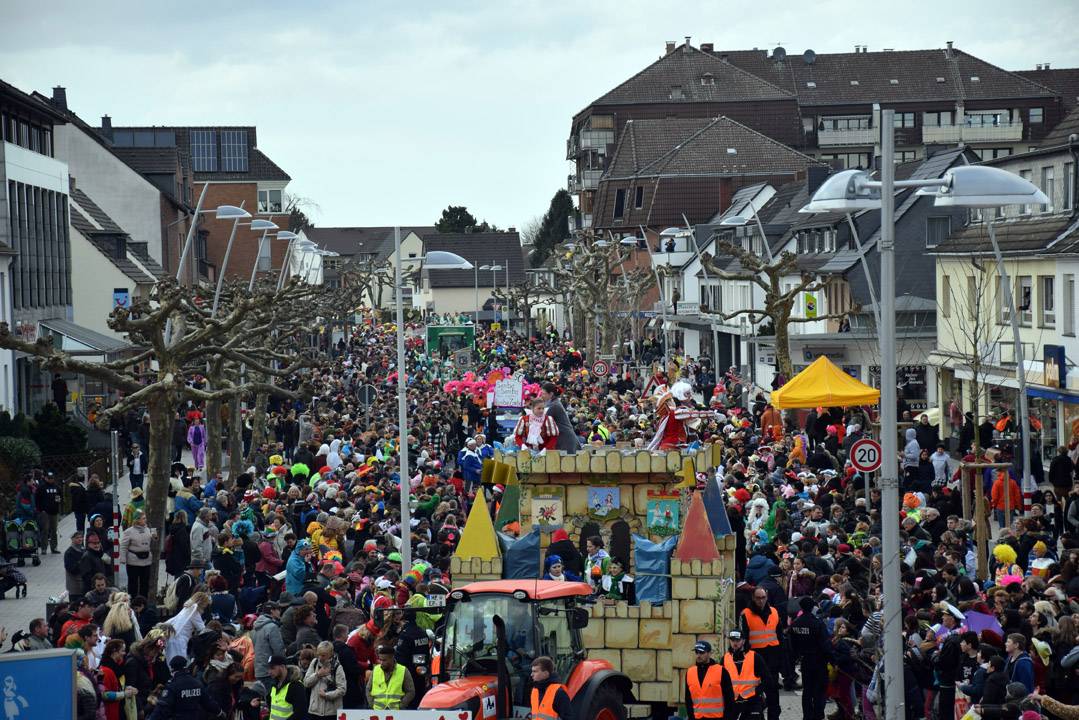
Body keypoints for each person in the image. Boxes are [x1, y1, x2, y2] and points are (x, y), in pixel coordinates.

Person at [739, 587, 783, 720]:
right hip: (755, 658)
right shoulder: (745, 614)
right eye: (758, 598)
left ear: (767, 597)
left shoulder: (774, 612)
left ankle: (773, 717)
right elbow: (743, 638)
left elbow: (780, 635)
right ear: (753, 598)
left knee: (773, 692)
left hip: (772, 656)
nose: (761, 601)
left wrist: (782, 658)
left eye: (763, 597)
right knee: (755, 692)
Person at [789, 595, 830, 720]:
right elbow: (825, 644)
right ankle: (818, 714)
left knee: (807, 690)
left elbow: (793, 644)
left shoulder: (796, 623)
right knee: (820, 689)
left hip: (805, 660)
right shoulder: (818, 623)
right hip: (819, 660)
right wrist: (832, 659)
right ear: (812, 607)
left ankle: (807, 715)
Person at [148, 656, 222, 720]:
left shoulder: (172, 685)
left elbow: (162, 707)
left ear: (173, 669)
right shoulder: (196, 683)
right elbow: (208, 702)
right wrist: (220, 712)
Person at [723, 630, 769, 720]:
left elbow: (767, 679)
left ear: (743, 641)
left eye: (737, 640)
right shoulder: (725, 659)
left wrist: (757, 692)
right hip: (733, 702)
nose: (734, 643)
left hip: (752, 701)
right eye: (732, 640)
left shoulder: (755, 657)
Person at [686, 640, 734, 720]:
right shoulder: (690, 672)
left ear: (709, 653)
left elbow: (729, 699)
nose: (698, 655)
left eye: (701, 653)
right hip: (697, 717)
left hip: (717, 717)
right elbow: (688, 700)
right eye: (696, 652)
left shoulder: (721, 671)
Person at [303, 640, 346, 720]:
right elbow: (306, 683)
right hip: (314, 711)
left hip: (331, 713)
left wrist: (327, 695)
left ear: (331, 654)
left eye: (323, 655)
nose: (320, 658)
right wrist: (318, 675)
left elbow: (342, 689)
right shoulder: (314, 662)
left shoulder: (337, 667)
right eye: (319, 655)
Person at [119, 509, 154, 600]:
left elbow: (150, 542)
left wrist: (154, 537)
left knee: (145, 584)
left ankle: (143, 602)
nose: (145, 520)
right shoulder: (129, 531)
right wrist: (123, 558)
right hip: (133, 562)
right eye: (143, 518)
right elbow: (123, 546)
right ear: (137, 520)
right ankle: (133, 602)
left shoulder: (148, 529)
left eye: (145, 518)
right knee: (133, 584)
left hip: (146, 561)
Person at [367, 644, 415, 711]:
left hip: (396, 711)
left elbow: (411, 691)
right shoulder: (376, 670)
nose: (381, 663)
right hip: (377, 711)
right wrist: (372, 704)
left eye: (384, 660)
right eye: (380, 660)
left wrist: (401, 705)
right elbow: (368, 689)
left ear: (392, 658)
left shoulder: (403, 670)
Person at [253, 601, 286, 690]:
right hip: (271, 671)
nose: (280, 612)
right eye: (278, 610)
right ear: (272, 611)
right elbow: (278, 650)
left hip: (259, 669)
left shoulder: (256, 627)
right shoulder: (272, 627)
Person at [268, 654, 308, 720]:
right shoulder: (274, 684)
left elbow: (301, 714)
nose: (269, 672)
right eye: (268, 668)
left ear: (282, 667)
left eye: (272, 668)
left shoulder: (296, 686)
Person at [34, 470, 62, 554]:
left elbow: (59, 497)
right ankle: (44, 548)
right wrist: (40, 510)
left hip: (54, 512)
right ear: (45, 478)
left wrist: (57, 507)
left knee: (54, 530)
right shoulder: (41, 487)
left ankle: (54, 548)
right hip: (45, 513)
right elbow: (37, 500)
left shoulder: (57, 487)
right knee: (45, 530)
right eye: (49, 478)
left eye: (52, 478)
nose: (50, 480)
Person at [64, 531, 86, 601]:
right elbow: (71, 569)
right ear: (72, 539)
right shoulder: (69, 552)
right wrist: (82, 564)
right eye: (77, 538)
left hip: (83, 585)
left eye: (81, 537)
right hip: (74, 586)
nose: (80, 539)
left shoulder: (83, 550)